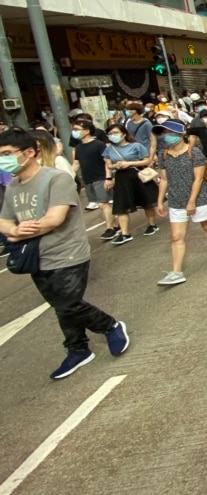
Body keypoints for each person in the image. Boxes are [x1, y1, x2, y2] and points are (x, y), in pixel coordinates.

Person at [0, 129, 129, 379]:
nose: (2, 160)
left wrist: (17, 234)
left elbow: (53, 220)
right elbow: (4, 221)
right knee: (60, 306)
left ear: (29, 153)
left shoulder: (56, 179)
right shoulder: (14, 185)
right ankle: (78, 349)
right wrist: (13, 230)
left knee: (68, 304)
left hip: (67, 253)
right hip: (37, 257)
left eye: (6, 154)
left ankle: (110, 326)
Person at [153, 120, 207, 286]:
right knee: (176, 236)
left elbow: (198, 179)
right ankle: (176, 272)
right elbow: (164, 179)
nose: (166, 136)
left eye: (170, 132)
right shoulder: (163, 154)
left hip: (199, 198)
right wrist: (160, 201)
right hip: (175, 200)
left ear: (182, 134)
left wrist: (192, 201)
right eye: (164, 133)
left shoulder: (194, 152)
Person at [103, 123, 159, 245]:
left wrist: (129, 163)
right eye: (110, 134)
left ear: (123, 134)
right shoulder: (108, 149)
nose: (113, 136)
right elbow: (108, 165)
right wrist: (116, 166)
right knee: (121, 206)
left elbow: (147, 160)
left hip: (137, 175)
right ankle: (125, 233)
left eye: (115, 133)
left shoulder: (136, 146)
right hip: (121, 177)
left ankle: (152, 224)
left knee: (146, 202)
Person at [71, 118, 118, 240]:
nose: (74, 132)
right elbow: (76, 164)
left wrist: (108, 177)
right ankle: (115, 225)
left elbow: (107, 161)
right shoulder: (79, 147)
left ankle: (110, 228)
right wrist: (69, 176)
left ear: (87, 131)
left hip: (100, 177)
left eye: (77, 129)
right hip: (88, 179)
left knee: (103, 204)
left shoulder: (98, 144)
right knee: (100, 204)